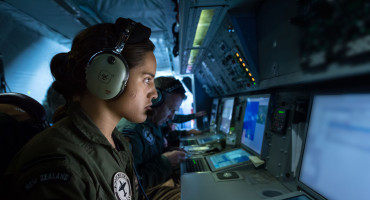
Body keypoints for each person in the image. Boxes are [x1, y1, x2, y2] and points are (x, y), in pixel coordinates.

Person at [1, 17, 157, 200]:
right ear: (107, 76)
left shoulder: (116, 143)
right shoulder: (61, 164)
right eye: (147, 80)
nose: (154, 93)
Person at [117, 76, 187, 200]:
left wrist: (167, 153)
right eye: (170, 109)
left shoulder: (152, 123)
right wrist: (165, 161)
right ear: (155, 100)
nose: (172, 117)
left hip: (158, 181)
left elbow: (149, 156)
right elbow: (126, 185)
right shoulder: (131, 131)